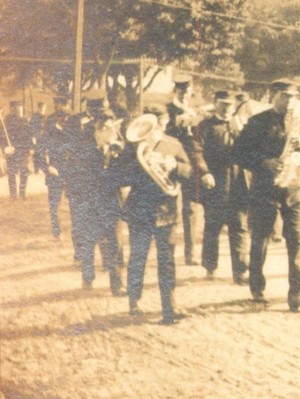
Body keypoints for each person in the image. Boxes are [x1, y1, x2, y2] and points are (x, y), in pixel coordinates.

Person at [231, 80, 300, 312]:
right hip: (265, 189)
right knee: (261, 239)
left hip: (294, 189)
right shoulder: (257, 122)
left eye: (293, 97)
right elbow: (239, 153)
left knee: (296, 239)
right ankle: (257, 285)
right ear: (272, 96)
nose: (289, 102)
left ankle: (297, 292)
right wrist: (264, 162)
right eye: (285, 96)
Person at [109, 107, 192, 324]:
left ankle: (169, 307)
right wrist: (137, 164)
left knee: (167, 260)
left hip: (166, 209)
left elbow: (189, 171)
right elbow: (119, 178)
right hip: (141, 210)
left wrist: (174, 166)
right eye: (156, 123)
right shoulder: (132, 148)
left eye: (162, 122)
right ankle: (134, 301)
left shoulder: (174, 145)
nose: (159, 128)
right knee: (138, 257)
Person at [64, 92, 124, 294]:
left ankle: (117, 283)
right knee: (89, 239)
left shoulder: (117, 144)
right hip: (89, 198)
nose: (109, 131)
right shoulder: (84, 145)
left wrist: (117, 153)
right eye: (104, 128)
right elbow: (76, 169)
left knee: (114, 240)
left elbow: (125, 172)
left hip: (111, 199)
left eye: (112, 127)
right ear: (96, 128)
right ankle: (88, 277)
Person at [198, 91, 249, 284]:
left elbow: (249, 149)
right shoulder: (205, 126)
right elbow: (197, 151)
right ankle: (210, 268)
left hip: (238, 182)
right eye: (223, 103)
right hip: (215, 181)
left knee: (239, 226)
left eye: (230, 104)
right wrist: (204, 172)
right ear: (215, 103)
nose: (227, 107)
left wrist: (240, 132)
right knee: (213, 225)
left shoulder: (241, 125)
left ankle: (241, 271)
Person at [165, 73, 213, 265]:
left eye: (188, 92)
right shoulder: (168, 110)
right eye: (182, 92)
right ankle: (168, 250)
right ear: (176, 91)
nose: (185, 95)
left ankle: (190, 253)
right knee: (170, 208)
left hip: (191, 163)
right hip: (173, 160)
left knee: (190, 209)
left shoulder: (193, 110)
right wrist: (176, 124)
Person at [37, 95, 71, 239]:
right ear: (58, 118)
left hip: (71, 172)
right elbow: (38, 154)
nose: (65, 121)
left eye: (67, 118)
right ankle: (56, 231)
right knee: (54, 204)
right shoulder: (49, 133)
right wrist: (47, 168)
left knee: (76, 204)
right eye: (62, 117)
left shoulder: (72, 133)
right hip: (54, 171)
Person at [4, 100, 33, 200]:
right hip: (11, 150)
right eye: (17, 107)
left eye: (20, 106)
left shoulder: (24, 120)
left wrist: (30, 147)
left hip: (22, 150)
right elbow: (2, 135)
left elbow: (29, 135)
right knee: (11, 173)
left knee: (24, 171)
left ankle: (22, 192)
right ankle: (13, 194)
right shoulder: (6, 121)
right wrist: (5, 148)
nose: (19, 109)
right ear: (13, 108)